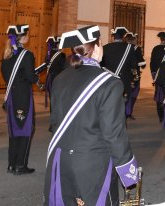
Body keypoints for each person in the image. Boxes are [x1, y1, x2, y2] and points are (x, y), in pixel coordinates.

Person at [44, 25, 138, 205]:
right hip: (92, 163)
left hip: (60, 158)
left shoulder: (60, 78)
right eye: (101, 44)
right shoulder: (109, 83)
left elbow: (55, 122)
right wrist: (128, 171)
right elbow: (113, 134)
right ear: (96, 47)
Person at [1, 24, 40, 175]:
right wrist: (36, 77)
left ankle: (11, 164)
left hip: (11, 96)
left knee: (14, 130)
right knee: (25, 129)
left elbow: (7, 76)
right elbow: (31, 77)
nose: (28, 37)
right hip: (23, 97)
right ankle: (20, 165)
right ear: (22, 37)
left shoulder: (6, 55)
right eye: (27, 34)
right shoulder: (27, 55)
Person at [101, 26, 138, 118]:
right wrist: (134, 78)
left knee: (109, 102)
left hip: (108, 80)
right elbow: (134, 65)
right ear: (123, 37)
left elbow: (101, 65)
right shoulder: (130, 48)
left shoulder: (105, 47)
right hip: (124, 80)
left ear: (113, 36)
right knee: (123, 103)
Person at [44, 36, 66, 131]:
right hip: (58, 81)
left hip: (49, 81)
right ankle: (57, 124)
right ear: (57, 44)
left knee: (53, 103)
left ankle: (52, 124)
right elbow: (64, 70)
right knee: (58, 103)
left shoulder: (48, 55)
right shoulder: (61, 55)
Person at [150, 31, 165, 122]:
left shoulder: (156, 48)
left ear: (161, 39)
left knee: (159, 96)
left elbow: (152, 63)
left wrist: (154, 75)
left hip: (158, 76)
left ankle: (161, 116)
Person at [124, 32, 146, 120]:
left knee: (124, 93)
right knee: (133, 93)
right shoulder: (136, 48)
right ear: (133, 40)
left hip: (124, 73)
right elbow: (142, 62)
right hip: (134, 74)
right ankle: (128, 112)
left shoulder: (123, 47)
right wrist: (143, 64)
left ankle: (124, 112)